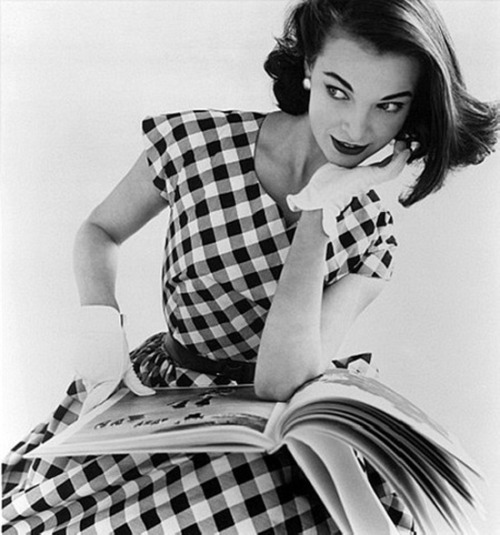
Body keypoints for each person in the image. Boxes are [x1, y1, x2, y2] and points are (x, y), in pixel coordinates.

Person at [3, 0, 498, 532]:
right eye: (338, 90)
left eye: (389, 106)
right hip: (159, 401)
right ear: (309, 66)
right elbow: (100, 231)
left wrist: (320, 207)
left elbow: (281, 379)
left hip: (281, 429)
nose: (357, 127)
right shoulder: (196, 144)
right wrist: (99, 327)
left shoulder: (371, 231)